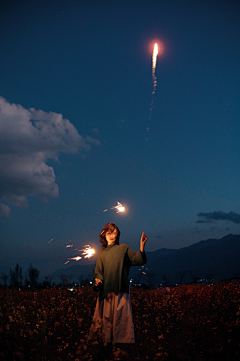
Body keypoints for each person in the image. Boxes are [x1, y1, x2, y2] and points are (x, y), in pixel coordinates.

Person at [88, 222, 147, 349]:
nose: (112, 235)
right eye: (109, 232)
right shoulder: (102, 253)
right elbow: (98, 273)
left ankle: (121, 350)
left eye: (114, 232)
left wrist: (141, 246)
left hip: (120, 290)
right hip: (106, 293)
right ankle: (106, 350)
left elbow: (137, 260)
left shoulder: (123, 248)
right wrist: (98, 281)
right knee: (105, 325)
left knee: (120, 323)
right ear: (104, 235)